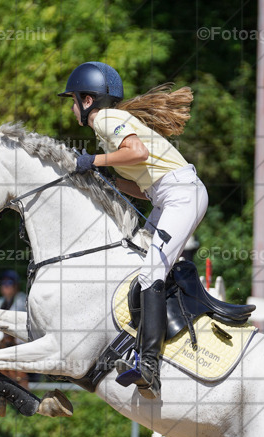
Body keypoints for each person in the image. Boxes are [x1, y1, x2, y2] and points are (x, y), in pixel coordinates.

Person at [59, 61, 206, 399]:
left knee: (151, 268)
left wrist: (93, 162)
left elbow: (136, 151)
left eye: (72, 100)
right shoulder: (110, 129)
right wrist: (109, 178)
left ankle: (149, 365)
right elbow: (146, 187)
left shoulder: (107, 119)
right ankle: (148, 340)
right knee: (138, 258)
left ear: (87, 100)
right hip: (168, 196)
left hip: (180, 195)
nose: (71, 108)